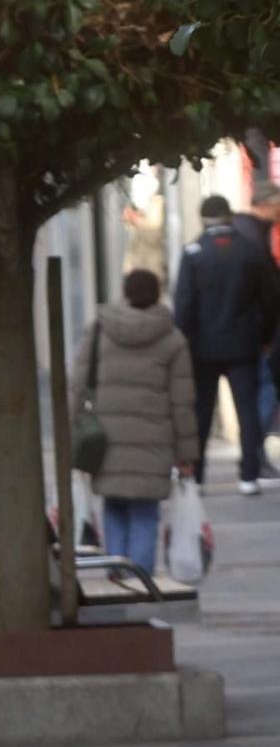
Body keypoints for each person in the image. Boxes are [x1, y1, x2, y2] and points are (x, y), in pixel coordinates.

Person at [75, 270, 199, 574]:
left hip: (106, 441)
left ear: (125, 292)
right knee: (145, 512)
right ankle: (139, 582)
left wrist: (69, 436)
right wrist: (187, 455)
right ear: (158, 294)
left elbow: (77, 385)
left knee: (114, 507)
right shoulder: (172, 339)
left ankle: (115, 575)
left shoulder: (100, 331)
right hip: (153, 445)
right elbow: (182, 403)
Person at [174, 195, 280, 494]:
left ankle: (197, 477)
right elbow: (271, 298)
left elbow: (184, 304)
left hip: (202, 349)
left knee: (202, 414)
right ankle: (248, 475)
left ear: (203, 218)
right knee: (247, 410)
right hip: (244, 344)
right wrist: (265, 337)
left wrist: (183, 342)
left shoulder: (193, 253)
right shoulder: (251, 250)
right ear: (229, 216)